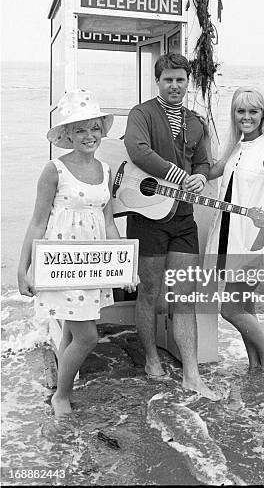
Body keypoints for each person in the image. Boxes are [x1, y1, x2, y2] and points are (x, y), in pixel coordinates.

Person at [17, 89, 136, 417]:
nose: (89, 136)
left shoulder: (106, 171)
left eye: (94, 128)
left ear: (102, 130)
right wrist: (23, 269)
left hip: (93, 266)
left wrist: (124, 267)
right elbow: (37, 222)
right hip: (62, 264)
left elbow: (109, 223)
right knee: (87, 337)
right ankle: (61, 395)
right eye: (80, 129)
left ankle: (62, 388)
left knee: (74, 329)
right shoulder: (54, 170)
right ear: (67, 134)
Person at [124, 53, 218, 400]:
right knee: (149, 291)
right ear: (158, 81)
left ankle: (191, 373)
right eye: (168, 80)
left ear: (187, 81)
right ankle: (151, 359)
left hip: (183, 218)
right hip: (147, 217)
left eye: (181, 80)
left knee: (184, 295)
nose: (175, 85)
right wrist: (176, 173)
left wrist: (199, 175)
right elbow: (137, 150)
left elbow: (205, 161)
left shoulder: (196, 121)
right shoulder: (142, 113)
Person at [205, 87, 264, 375]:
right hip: (228, 237)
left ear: (263, 114)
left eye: (253, 111)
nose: (247, 117)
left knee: (229, 309)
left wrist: (255, 251)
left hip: (251, 243)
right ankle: (254, 364)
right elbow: (210, 171)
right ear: (234, 114)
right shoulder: (236, 148)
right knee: (245, 307)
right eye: (241, 111)